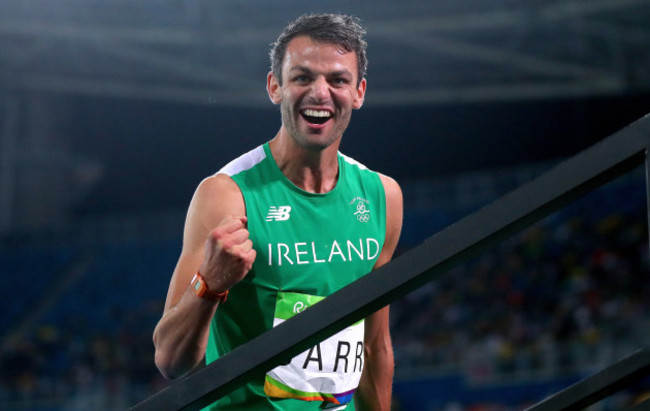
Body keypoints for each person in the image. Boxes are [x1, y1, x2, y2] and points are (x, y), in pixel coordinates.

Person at [153, 13, 403, 411]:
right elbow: (170, 359)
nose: (320, 93)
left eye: (337, 80)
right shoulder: (227, 195)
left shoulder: (382, 197)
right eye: (303, 77)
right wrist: (210, 284)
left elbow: (374, 347)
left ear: (358, 92)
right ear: (275, 87)